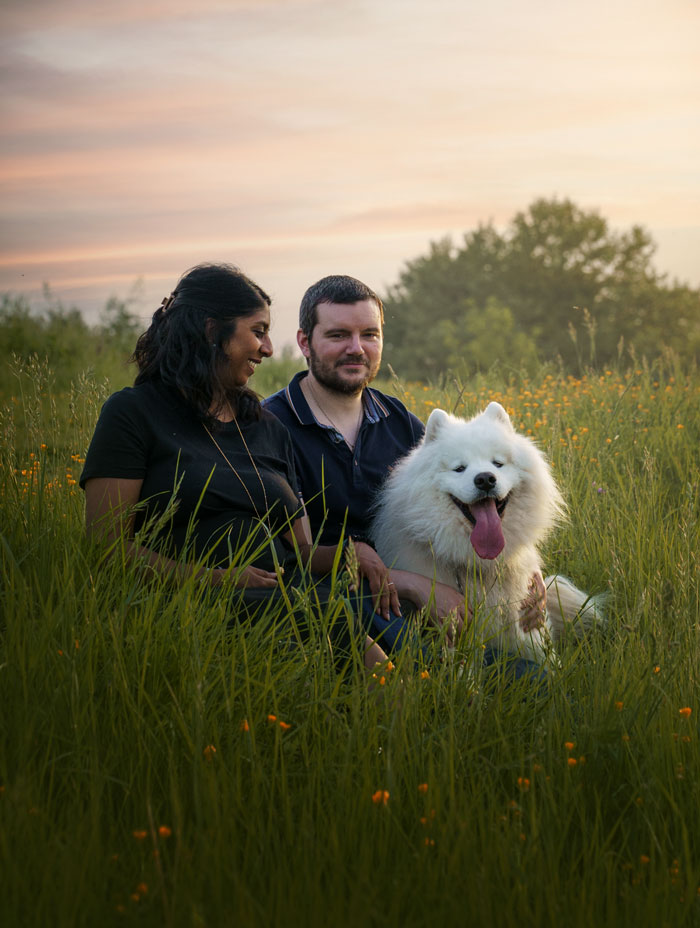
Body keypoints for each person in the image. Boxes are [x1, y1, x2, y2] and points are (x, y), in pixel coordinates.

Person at [80, 264, 389, 669]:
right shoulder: (134, 414)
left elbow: (301, 553)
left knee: (381, 667)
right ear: (212, 332)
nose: (268, 349)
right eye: (257, 331)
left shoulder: (267, 428)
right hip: (196, 610)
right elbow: (105, 549)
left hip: (295, 600)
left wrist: (352, 552)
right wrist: (216, 580)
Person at [263, 275, 546, 657]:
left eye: (369, 335)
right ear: (304, 342)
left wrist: (525, 568)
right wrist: (414, 584)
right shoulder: (270, 426)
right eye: (338, 335)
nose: (356, 348)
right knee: (459, 673)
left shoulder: (398, 420)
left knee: (524, 676)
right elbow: (284, 558)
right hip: (333, 598)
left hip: (415, 590)